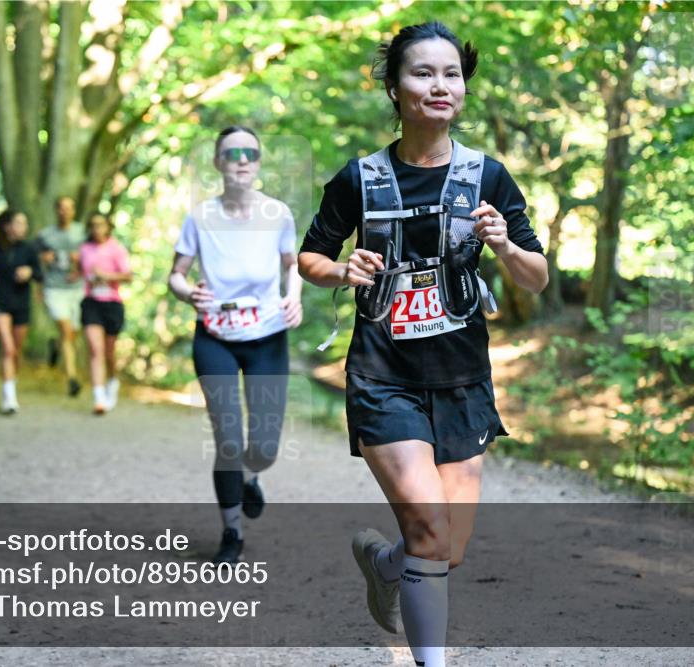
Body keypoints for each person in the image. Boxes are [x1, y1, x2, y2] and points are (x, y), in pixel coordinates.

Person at [298, 22, 548, 667]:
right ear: (394, 87)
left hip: (462, 379)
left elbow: (536, 277)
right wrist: (342, 269)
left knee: (445, 549)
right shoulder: (360, 179)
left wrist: (505, 245)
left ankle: (386, 565)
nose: (440, 86)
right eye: (423, 73)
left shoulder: (487, 176)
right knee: (430, 530)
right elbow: (310, 258)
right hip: (383, 376)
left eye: (451, 74)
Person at [168, 126, 303, 565]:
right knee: (228, 439)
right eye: (232, 153)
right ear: (218, 163)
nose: (242, 160)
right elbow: (176, 274)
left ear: (258, 162)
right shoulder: (200, 217)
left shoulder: (278, 214)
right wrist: (188, 293)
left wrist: (294, 297)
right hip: (215, 337)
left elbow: (292, 264)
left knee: (263, 448)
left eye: (250, 153)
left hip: (267, 337)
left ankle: (250, 475)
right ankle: (232, 532)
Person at [0, 209, 43, 414]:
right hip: (0, 301)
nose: (24, 227)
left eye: (25, 223)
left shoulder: (29, 249)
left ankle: (10, 384)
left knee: (15, 351)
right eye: (19, 223)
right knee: (7, 346)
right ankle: (9, 398)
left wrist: (29, 272)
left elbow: (40, 274)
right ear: (7, 226)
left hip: (21, 304)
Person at [78, 213, 131, 415]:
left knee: (109, 352)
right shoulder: (84, 249)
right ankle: (99, 398)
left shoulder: (116, 248)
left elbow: (128, 276)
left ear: (108, 227)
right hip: (91, 302)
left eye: (100, 225)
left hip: (112, 304)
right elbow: (78, 272)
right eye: (93, 225)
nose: (96, 229)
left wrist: (106, 276)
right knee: (95, 349)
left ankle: (112, 381)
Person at [36, 196, 85, 397]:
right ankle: (72, 378)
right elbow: (34, 260)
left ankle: (55, 346)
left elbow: (92, 257)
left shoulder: (82, 232)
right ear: (56, 210)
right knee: (66, 330)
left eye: (68, 208)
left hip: (77, 289)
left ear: (74, 210)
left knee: (72, 333)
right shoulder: (44, 235)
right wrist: (42, 261)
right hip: (54, 288)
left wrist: (79, 266)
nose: (65, 212)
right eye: (61, 208)